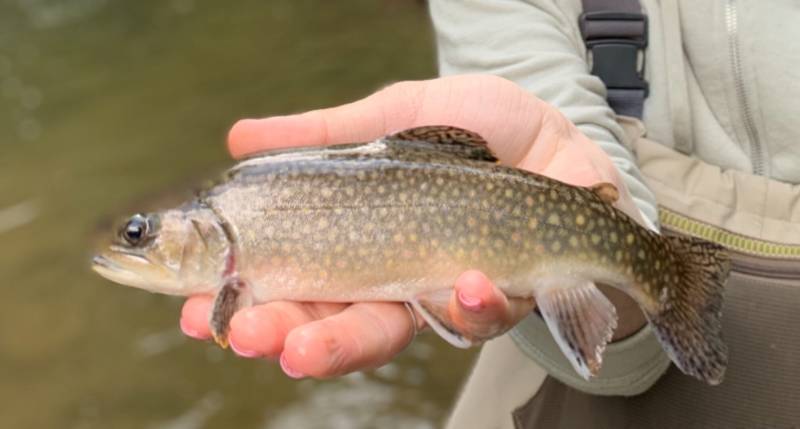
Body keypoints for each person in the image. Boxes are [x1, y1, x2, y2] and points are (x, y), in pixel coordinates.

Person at [180, 0, 800, 427]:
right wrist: (629, 295)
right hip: (612, 241)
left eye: (141, 235)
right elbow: (628, 369)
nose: (134, 244)